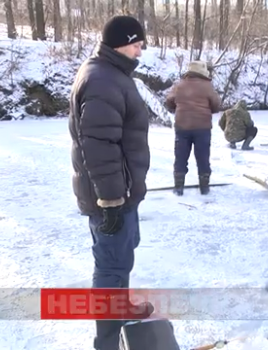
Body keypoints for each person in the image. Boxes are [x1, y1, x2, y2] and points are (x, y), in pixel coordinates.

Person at [68, 15, 154, 350]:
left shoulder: (111, 73)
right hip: (112, 198)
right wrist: (111, 201)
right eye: (137, 44)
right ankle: (106, 342)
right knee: (110, 266)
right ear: (120, 42)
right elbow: (98, 146)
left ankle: (122, 308)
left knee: (121, 258)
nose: (140, 51)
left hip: (122, 192)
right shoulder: (103, 79)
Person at [165, 61, 221, 196]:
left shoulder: (179, 85)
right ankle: (204, 188)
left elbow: (168, 102)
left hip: (182, 126)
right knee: (203, 157)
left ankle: (178, 187)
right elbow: (216, 105)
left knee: (180, 157)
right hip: (202, 128)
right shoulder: (207, 86)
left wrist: (178, 109)